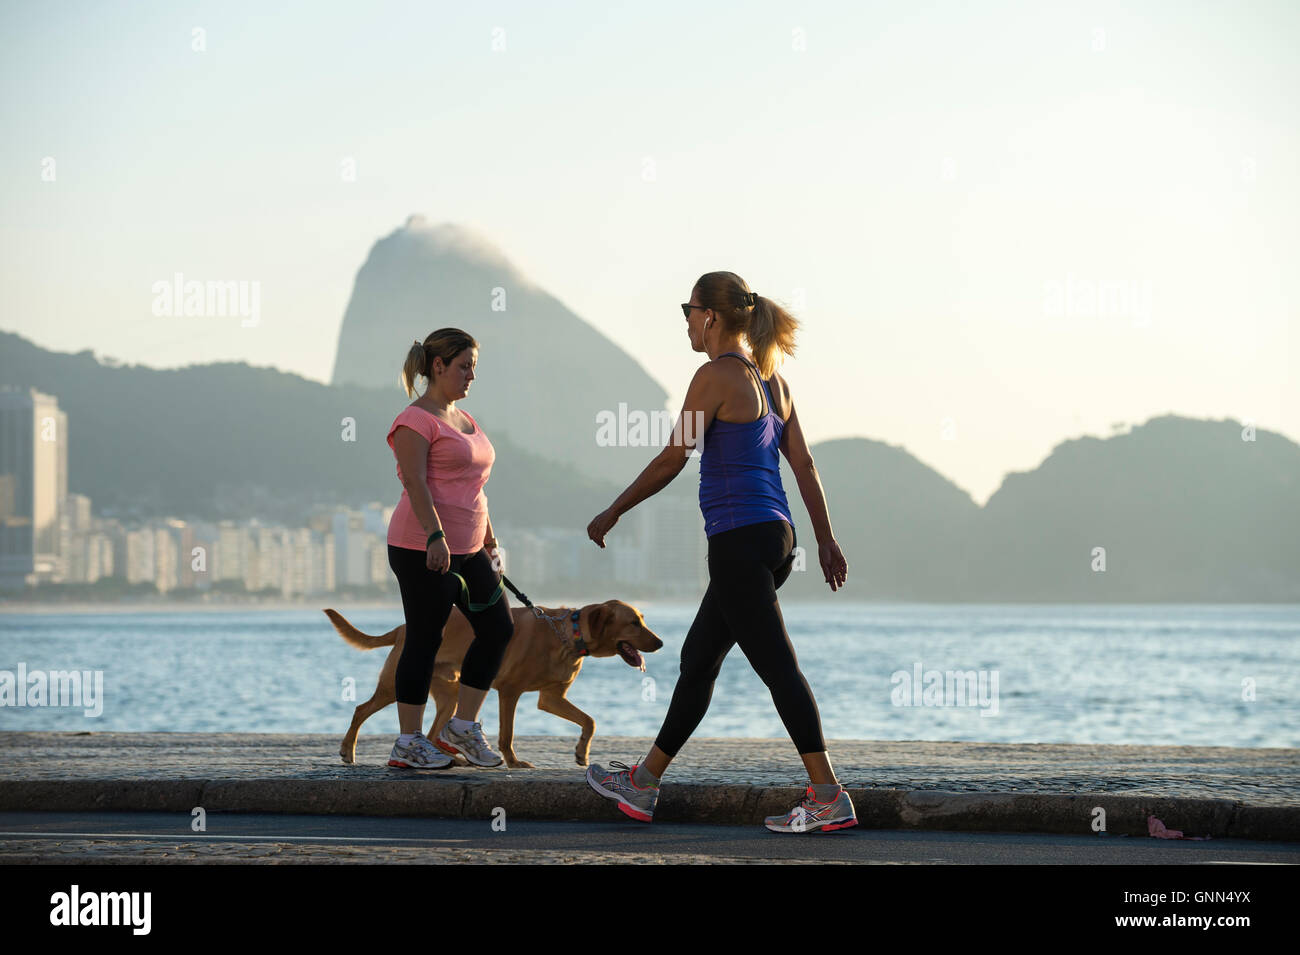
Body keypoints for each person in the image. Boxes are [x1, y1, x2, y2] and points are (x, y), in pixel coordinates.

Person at [584, 271, 854, 832]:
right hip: (776, 538)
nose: (684, 320)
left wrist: (614, 510)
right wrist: (825, 539)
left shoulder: (714, 376)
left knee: (777, 666)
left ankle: (828, 794)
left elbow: (671, 459)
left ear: (709, 316)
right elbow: (803, 466)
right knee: (698, 659)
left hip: (737, 541)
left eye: (687, 309)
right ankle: (642, 786)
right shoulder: (774, 382)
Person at [384, 328, 513, 769]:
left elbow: (477, 489)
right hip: (421, 546)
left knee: (498, 629)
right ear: (437, 366)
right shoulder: (415, 420)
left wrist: (491, 543)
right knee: (425, 638)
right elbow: (415, 482)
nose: (471, 375)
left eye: (474, 366)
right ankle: (408, 741)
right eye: (464, 366)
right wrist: (435, 536)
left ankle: (461, 727)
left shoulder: (465, 420)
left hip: (471, 547)